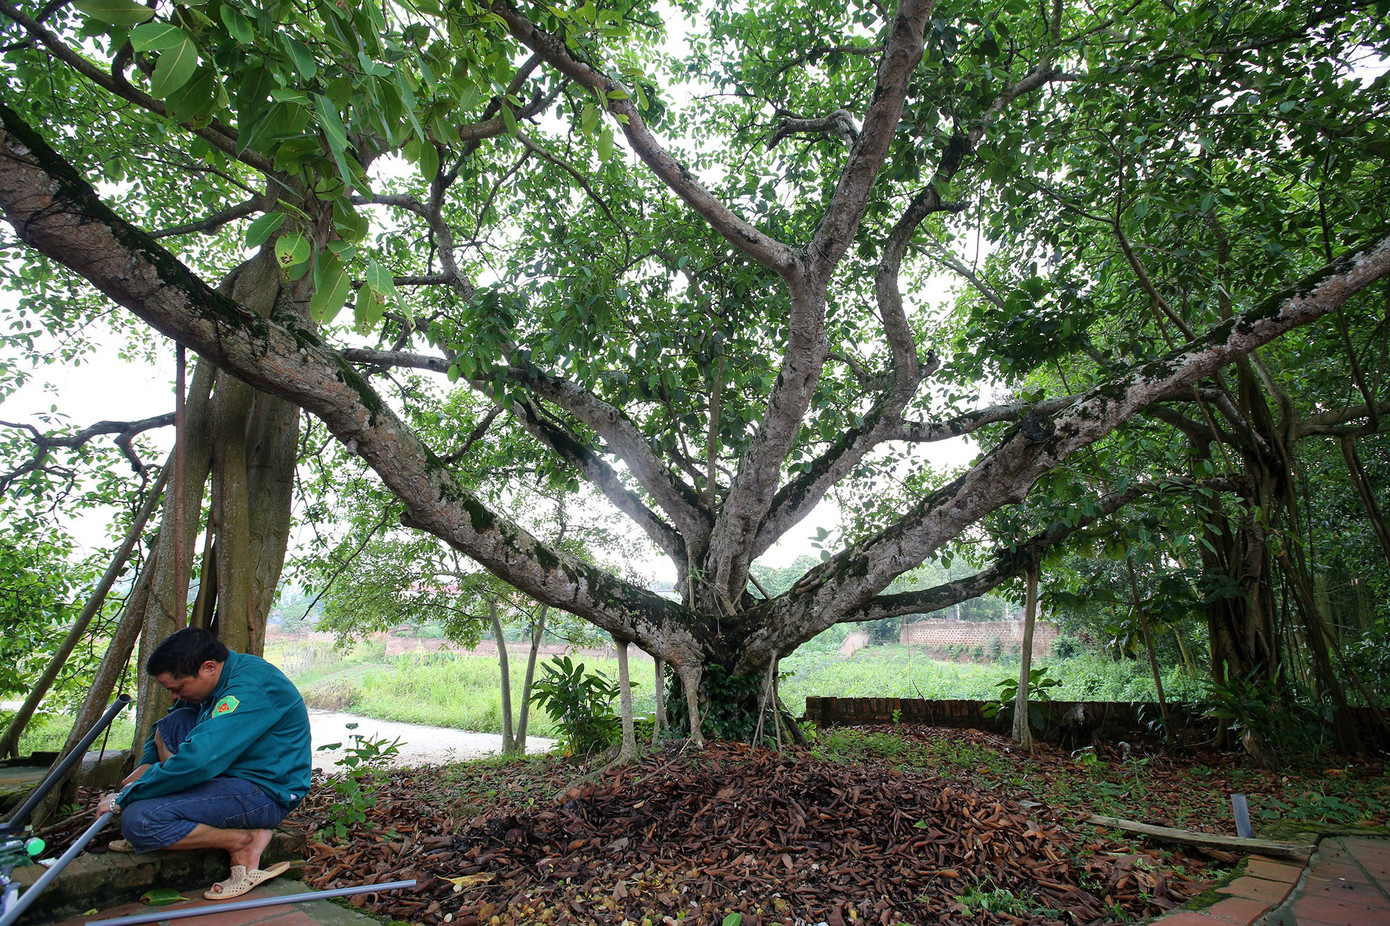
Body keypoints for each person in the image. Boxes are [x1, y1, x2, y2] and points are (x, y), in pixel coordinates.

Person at [96, 627, 312, 900]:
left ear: (208, 667)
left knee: (140, 820)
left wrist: (127, 797)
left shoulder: (248, 690)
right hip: (230, 771)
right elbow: (166, 728)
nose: (174, 695)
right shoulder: (221, 675)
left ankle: (244, 841)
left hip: (265, 792)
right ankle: (174, 802)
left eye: (178, 688)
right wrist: (146, 768)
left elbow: (200, 762)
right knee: (176, 720)